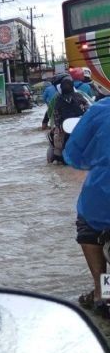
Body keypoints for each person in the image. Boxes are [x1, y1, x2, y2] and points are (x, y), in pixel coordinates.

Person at [65, 97, 110, 318]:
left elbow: (73, 154)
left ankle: (103, 291)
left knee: (88, 229)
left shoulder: (101, 109)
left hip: (102, 194)